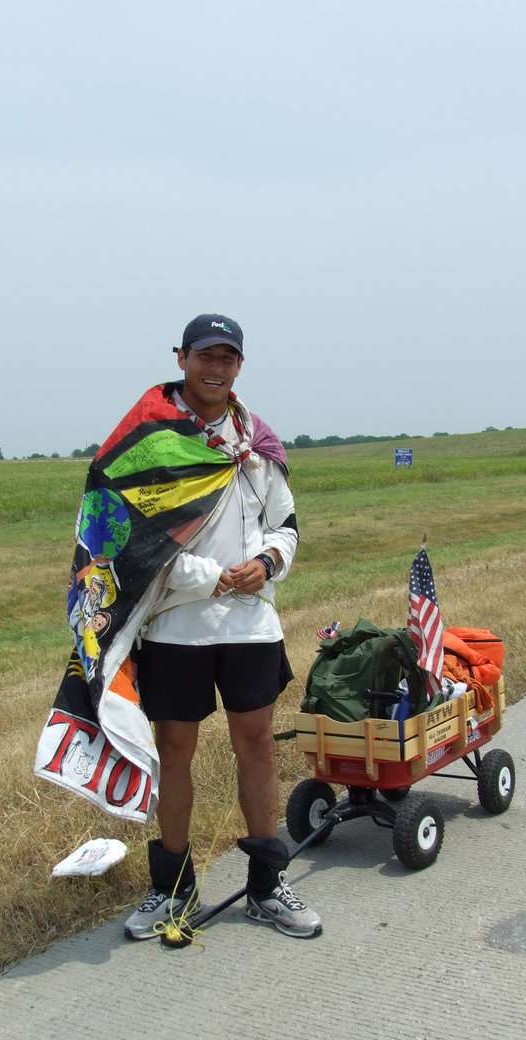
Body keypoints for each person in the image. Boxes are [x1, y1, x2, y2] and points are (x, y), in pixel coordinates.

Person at [123, 314, 322, 940]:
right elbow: (138, 542)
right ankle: (171, 890)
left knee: (257, 745)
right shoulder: (151, 442)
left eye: (227, 358)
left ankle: (266, 886)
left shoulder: (256, 442)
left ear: (239, 365)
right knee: (174, 752)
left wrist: (266, 564)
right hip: (177, 627)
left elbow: (286, 525)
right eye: (204, 356)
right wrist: (213, 578)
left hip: (250, 626)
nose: (215, 368)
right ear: (181, 358)